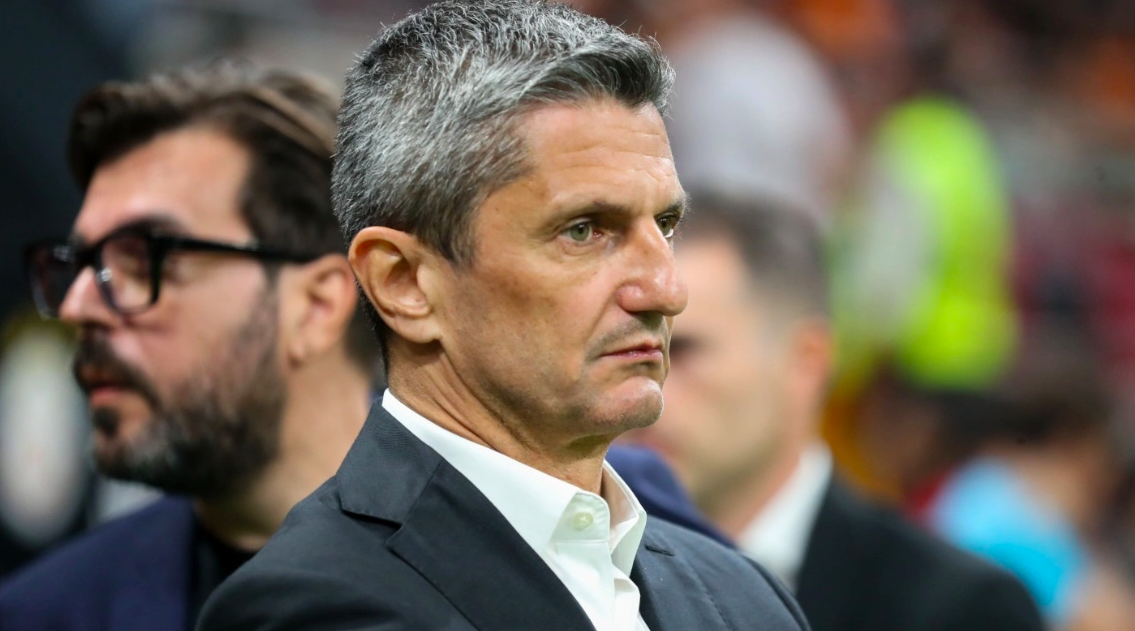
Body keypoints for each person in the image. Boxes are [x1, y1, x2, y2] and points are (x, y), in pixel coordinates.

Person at [197, 2, 810, 630]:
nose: (667, 289)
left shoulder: (748, 597)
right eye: (584, 230)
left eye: (666, 224)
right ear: (403, 283)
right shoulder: (315, 608)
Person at [0, 61, 381, 631]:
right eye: (81, 264)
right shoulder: (43, 612)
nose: (78, 305)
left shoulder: (503, 580)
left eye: (146, 258)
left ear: (316, 307)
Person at [623, 192, 1044, 631]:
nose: (646, 387)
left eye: (683, 350)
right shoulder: (592, 576)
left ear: (805, 362)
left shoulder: (958, 608)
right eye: (631, 351)